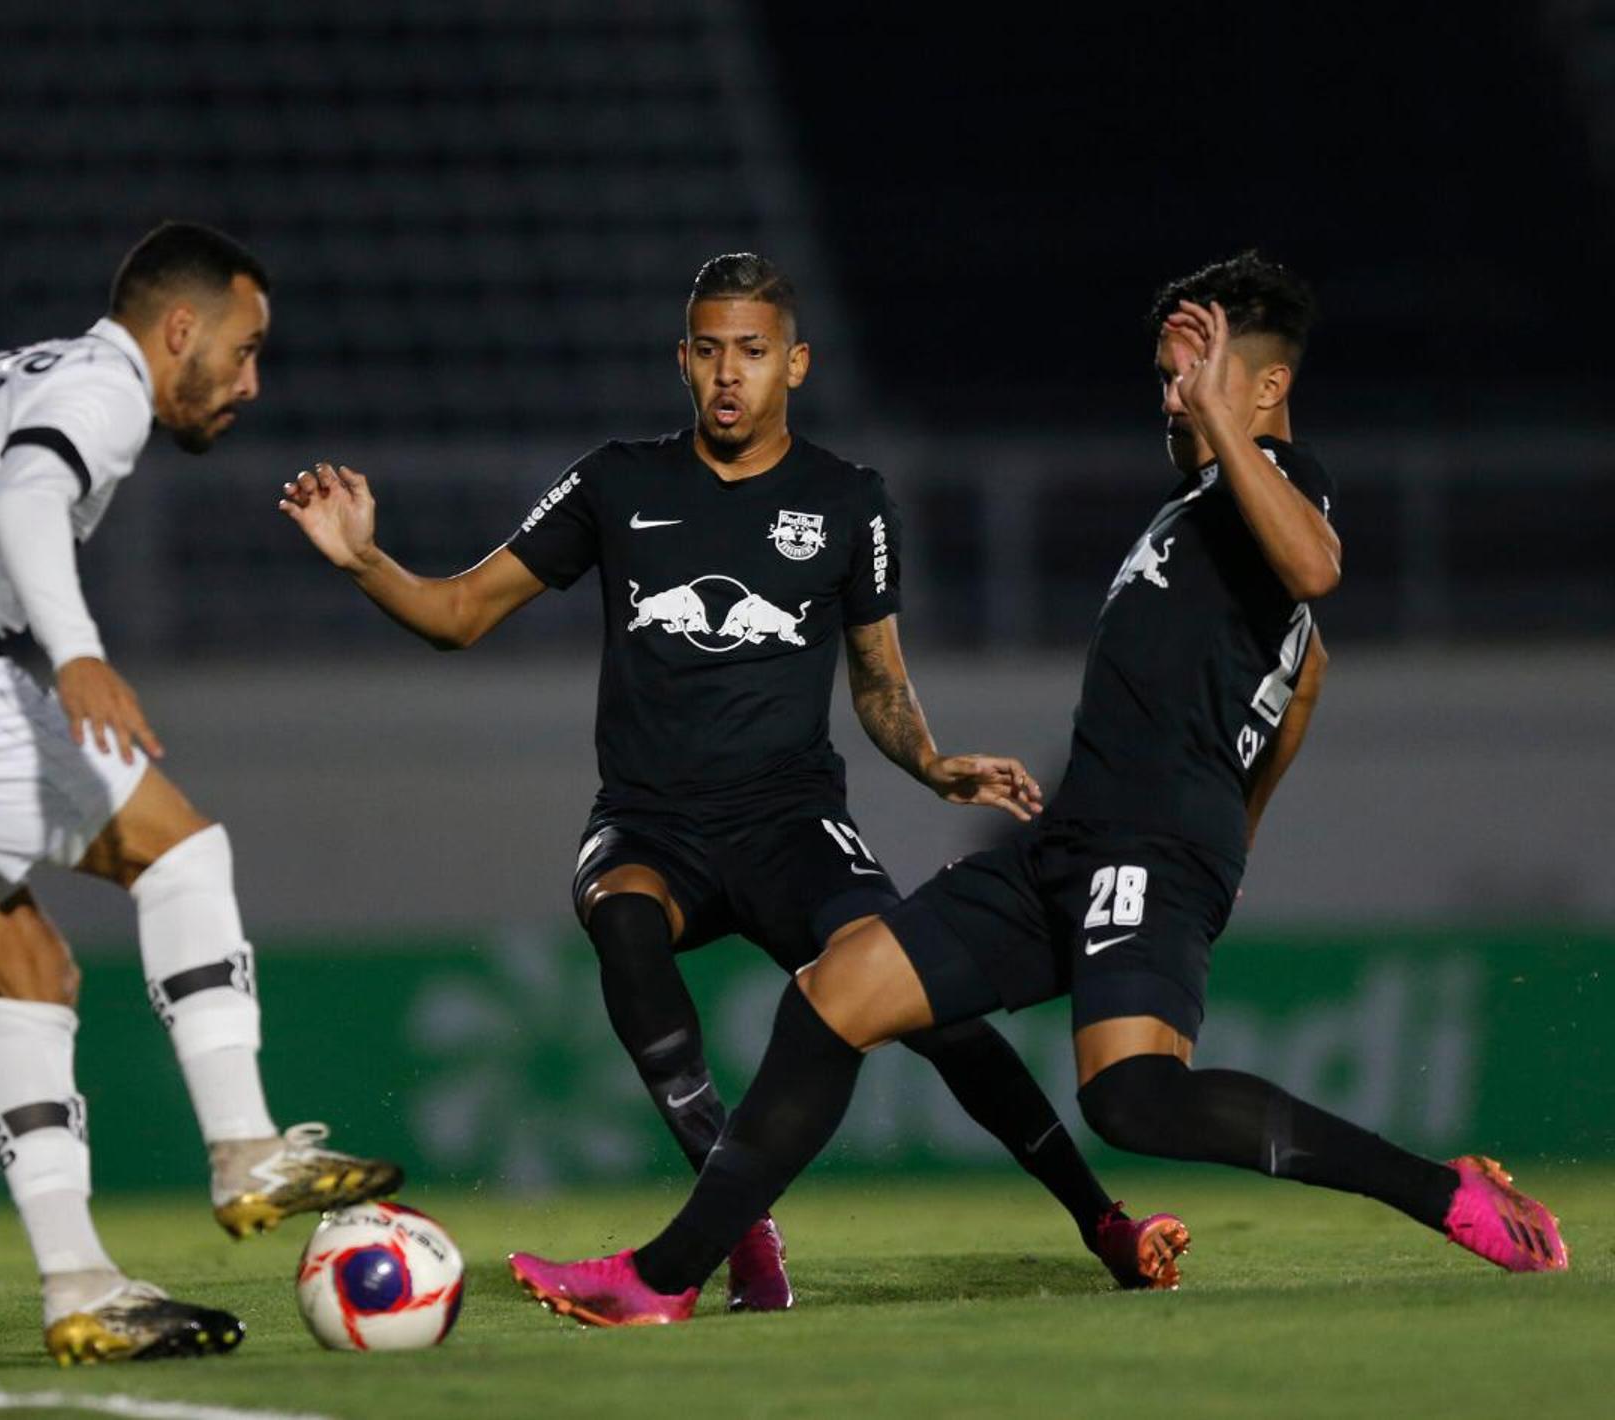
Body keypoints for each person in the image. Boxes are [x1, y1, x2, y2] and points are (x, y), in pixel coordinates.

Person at [507, 250, 1569, 1327]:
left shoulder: (1279, 485)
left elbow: (1320, 573)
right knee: (835, 993)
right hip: (1068, 847)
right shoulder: (1195, 513)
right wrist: (1235, 834)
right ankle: (666, 1275)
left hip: (1145, 851)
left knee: (1134, 1098)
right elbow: (1308, 678)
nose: (1171, 400)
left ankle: (1445, 1192)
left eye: (1193, 378)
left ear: (1265, 387)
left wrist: (1205, 853)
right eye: (1164, 379)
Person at [282, 253, 1184, 1308]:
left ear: (792, 363)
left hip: (792, 824)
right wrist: (363, 562)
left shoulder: (849, 501)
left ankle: (1103, 1221)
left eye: (751, 352)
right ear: (682, 359)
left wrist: (934, 762)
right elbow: (459, 614)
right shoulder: (617, 480)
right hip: (649, 823)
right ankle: (737, 1212)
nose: (727, 373)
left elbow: (881, 685)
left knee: (928, 1006)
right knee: (620, 917)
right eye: (708, 350)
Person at [0, 221, 402, 1364]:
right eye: (245, 350)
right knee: (183, 852)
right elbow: (24, 495)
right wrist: (77, 652)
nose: (251, 381)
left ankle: (79, 1284)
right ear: (180, 328)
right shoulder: (103, 385)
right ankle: (246, 1145)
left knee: (31, 971)